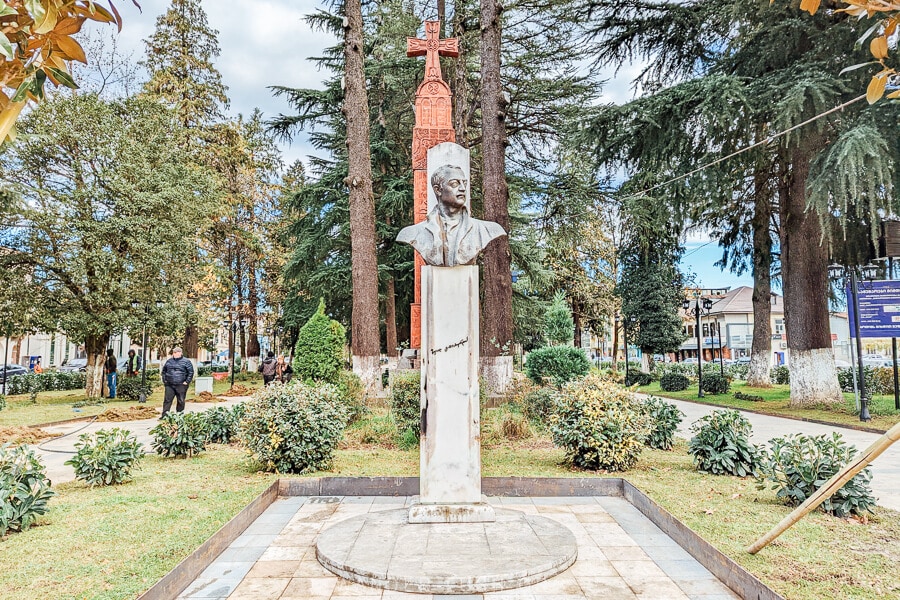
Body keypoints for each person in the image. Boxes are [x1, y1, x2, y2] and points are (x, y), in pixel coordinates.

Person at [397, 164, 506, 266]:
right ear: (438, 190)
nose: (463, 188)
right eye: (454, 184)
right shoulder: (414, 233)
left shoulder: (486, 230)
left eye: (464, 183)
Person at [161, 346, 194, 417]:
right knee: (167, 400)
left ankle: (179, 415)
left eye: (177, 352)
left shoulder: (186, 361)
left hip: (181, 385)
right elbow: (164, 371)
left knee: (181, 401)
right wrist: (165, 380)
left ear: (181, 353)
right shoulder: (169, 361)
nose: (175, 354)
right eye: (174, 352)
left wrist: (187, 382)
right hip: (169, 384)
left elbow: (190, 372)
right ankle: (164, 416)